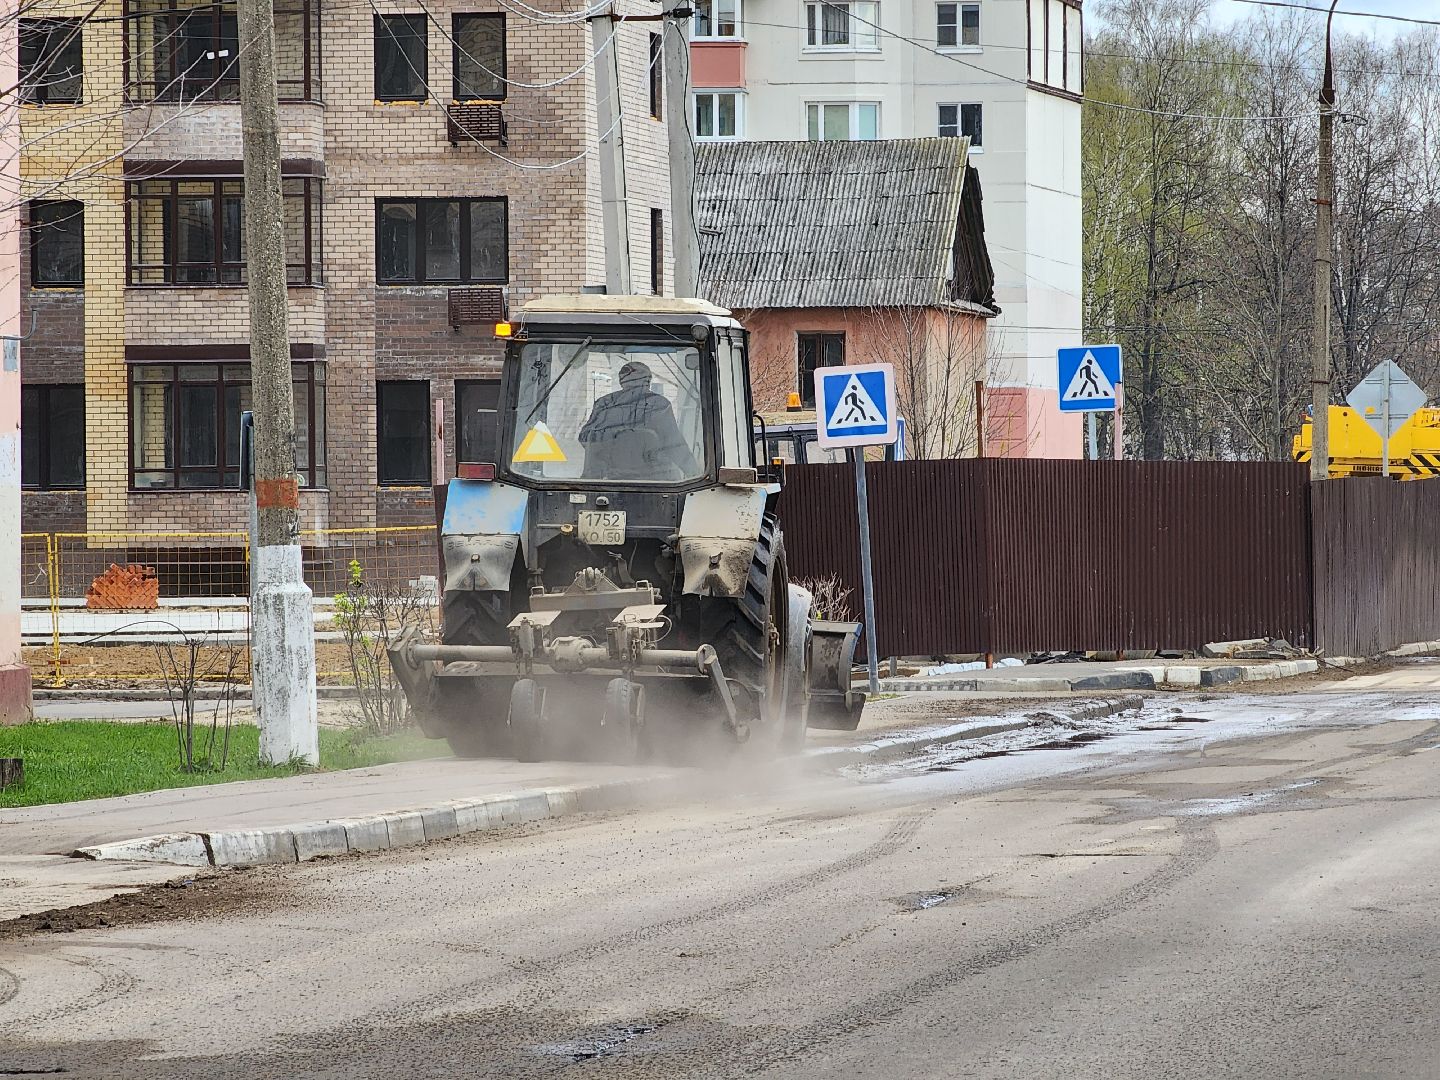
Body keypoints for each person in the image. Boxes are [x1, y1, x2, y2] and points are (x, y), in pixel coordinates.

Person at [578, 361, 700, 480]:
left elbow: (585, 438)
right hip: (658, 483)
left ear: (622, 381)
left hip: (614, 480)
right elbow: (673, 443)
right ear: (647, 380)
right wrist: (694, 474)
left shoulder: (604, 403)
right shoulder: (658, 404)